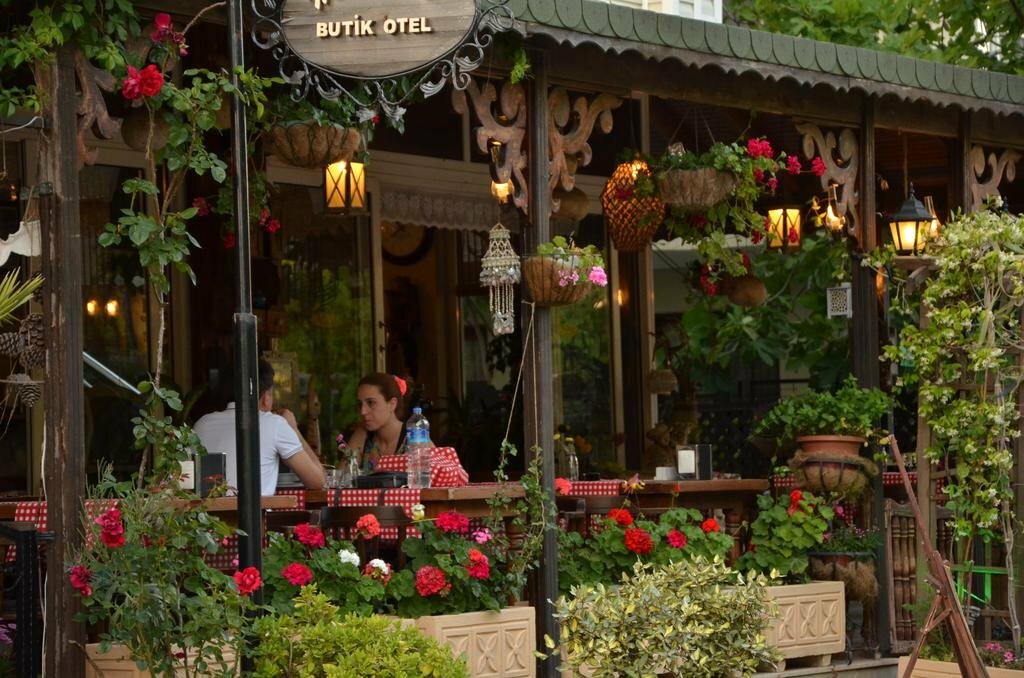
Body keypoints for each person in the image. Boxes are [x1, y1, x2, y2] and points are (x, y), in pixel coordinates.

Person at [194, 359, 325, 496]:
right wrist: (293, 429)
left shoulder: (202, 424)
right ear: (266, 398)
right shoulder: (275, 424)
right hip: (255, 511)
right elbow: (317, 480)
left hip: (206, 510)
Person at [348, 373, 429, 470]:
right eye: (360, 404)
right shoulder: (363, 434)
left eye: (371, 402)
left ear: (392, 404)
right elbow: (343, 475)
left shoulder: (414, 435)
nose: (363, 411)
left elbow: (434, 474)